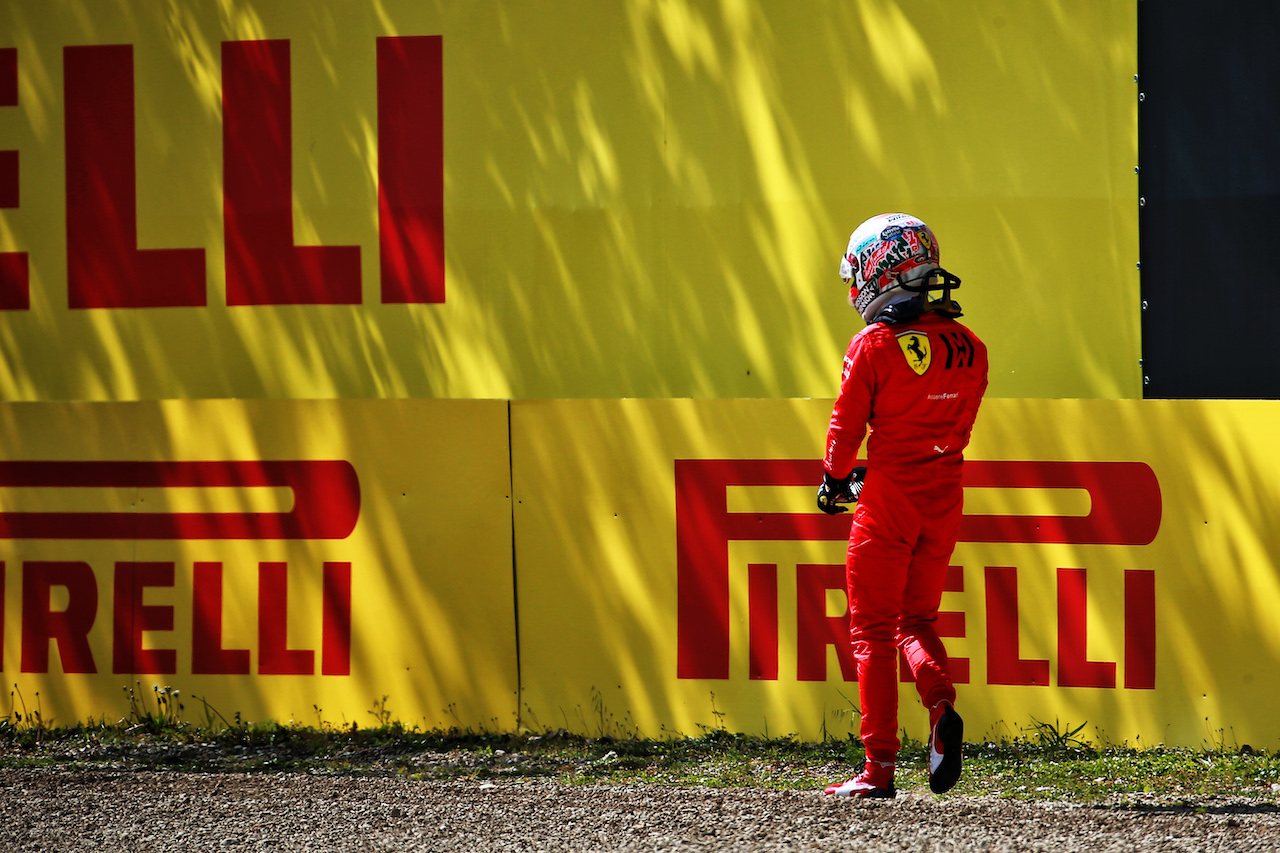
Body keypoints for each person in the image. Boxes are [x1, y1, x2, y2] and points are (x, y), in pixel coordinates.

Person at [816, 212, 988, 799]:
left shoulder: (874, 343)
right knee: (917, 621)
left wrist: (835, 481)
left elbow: (847, 427)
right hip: (944, 500)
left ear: (879, 269)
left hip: (888, 503)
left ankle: (878, 769)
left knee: (870, 632)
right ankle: (941, 707)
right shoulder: (972, 347)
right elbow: (935, 432)